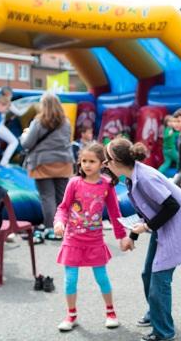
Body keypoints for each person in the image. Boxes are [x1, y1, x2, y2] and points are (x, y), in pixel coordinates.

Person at [103, 138, 181, 341]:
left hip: (176, 226)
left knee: (160, 281)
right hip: (163, 225)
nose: (105, 164)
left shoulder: (145, 178)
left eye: (106, 160)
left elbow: (172, 206)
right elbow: (146, 210)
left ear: (115, 160)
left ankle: (164, 333)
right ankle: (155, 313)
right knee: (148, 274)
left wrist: (147, 227)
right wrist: (133, 235)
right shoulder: (132, 176)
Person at [53, 142, 126, 332]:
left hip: (95, 241)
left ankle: (111, 313)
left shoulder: (106, 185)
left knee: (102, 278)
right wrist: (59, 222)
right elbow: (63, 207)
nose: (87, 165)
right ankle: (71, 315)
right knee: (70, 280)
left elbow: (114, 212)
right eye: (84, 161)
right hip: (72, 240)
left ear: (102, 163)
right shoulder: (74, 183)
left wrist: (122, 236)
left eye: (91, 161)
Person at [21, 93, 74, 241]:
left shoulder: (39, 122)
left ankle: (51, 228)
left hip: (42, 162)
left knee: (47, 197)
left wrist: (24, 135)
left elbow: (27, 144)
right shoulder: (66, 122)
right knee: (62, 197)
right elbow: (67, 140)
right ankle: (63, 226)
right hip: (63, 162)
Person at [0, 86, 20, 166]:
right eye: (11, 94)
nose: (11, 96)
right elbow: (20, 113)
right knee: (14, 142)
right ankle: (3, 163)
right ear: (8, 94)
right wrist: (30, 107)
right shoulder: (7, 102)